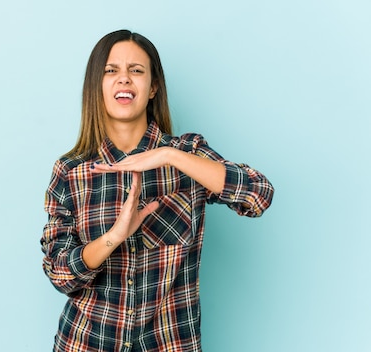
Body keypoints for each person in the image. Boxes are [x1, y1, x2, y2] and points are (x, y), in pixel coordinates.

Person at [40, 29, 274, 352]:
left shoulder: (187, 154)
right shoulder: (70, 172)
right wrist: (114, 237)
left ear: (152, 88)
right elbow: (61, 275)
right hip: (86, 343)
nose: (124, 80)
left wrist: (169, 155)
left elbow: (258, 195)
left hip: (169, 343)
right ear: (97, 87)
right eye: (111, 71)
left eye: (136, 71)